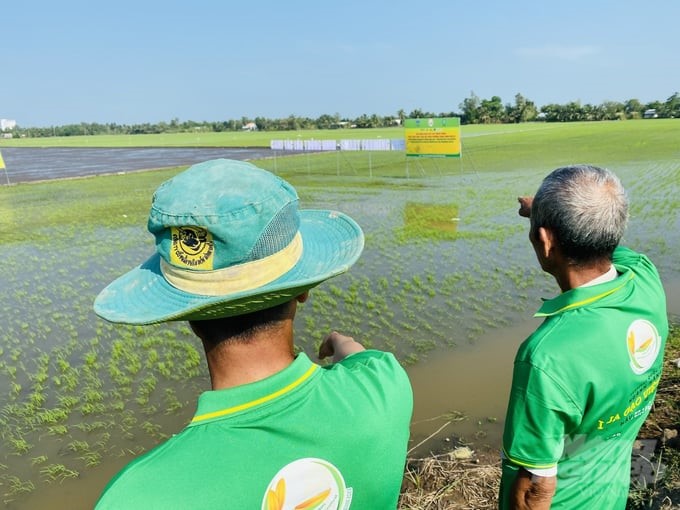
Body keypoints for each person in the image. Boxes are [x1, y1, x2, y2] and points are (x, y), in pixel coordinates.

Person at [93, 158, 413, 509]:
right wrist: (341, 343)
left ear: (189, 316)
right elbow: (360, 358)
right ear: (303, 290)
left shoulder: (137, 496)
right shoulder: (385, 390)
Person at [499, 165, 668, 509]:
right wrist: (544, 214)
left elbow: (535, 490)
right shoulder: (645, 278)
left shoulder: (547, 357)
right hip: (610, 496)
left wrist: (546, 219)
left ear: (545, 242)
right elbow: (604, 240)